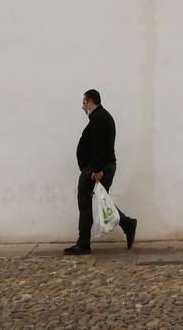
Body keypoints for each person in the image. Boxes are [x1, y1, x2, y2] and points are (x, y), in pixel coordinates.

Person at [63, 88, 137, 255]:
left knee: (88, 203)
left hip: (97, 169)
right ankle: (126, 224)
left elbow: (99, 147)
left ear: (91, 102)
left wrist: (96, 170)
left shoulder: (99, 118)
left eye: (84, 103)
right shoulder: (100, 117)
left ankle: (83, 244)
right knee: (98, 202)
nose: (82, 107)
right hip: (100, 167)